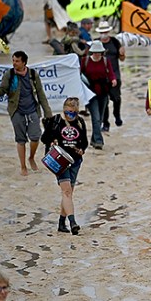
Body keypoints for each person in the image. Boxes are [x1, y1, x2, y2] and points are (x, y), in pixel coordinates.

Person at [0, 51, 53, 175]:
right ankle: (23, 166)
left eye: (17, 61)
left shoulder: (33, 74)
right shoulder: (9, 75)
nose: (14, 63)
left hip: (32, 109)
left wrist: (48, 113)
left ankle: (31, 157)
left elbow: (40, 94)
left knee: (35, 137)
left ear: (24, 62)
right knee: (20, 139)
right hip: (16, 110)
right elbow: (1, 92)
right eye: (13, 61)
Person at [40, 98, 88, 235]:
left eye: (72, 113)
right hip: (60, 161)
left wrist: (81, 150)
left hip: (75, 161)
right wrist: (52, 142)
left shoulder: (80, 122)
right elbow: (44, 138)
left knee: (69, 193)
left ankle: (61, 222)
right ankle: (73, 223)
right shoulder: (56, 121)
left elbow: (84, 142)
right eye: (66, 112)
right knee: (66, 191)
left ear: (77, 112)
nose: (69, 115)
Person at [79, 41, 117, 149]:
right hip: (90, 93)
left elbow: (110, 73)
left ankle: (94, 140)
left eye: (99, 52)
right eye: (95, 52)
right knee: (95, 117)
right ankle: (99, 141)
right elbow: (79, 73)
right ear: (92, 52)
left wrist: (113, 80)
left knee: (100, 117)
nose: (97, 54)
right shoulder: (85, 61)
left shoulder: (106, 61)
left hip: (103, 92)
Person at [94, 21, 126, 131]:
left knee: (116, 98)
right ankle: (105, 123)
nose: (104, 33)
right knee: (103, 101)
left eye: (106, 31)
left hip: (115, 75)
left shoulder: (115, 42)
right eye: (102, 32)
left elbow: (122, 59)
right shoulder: (96, 43)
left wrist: (122, 54)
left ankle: (117, 115)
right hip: (101, 77)